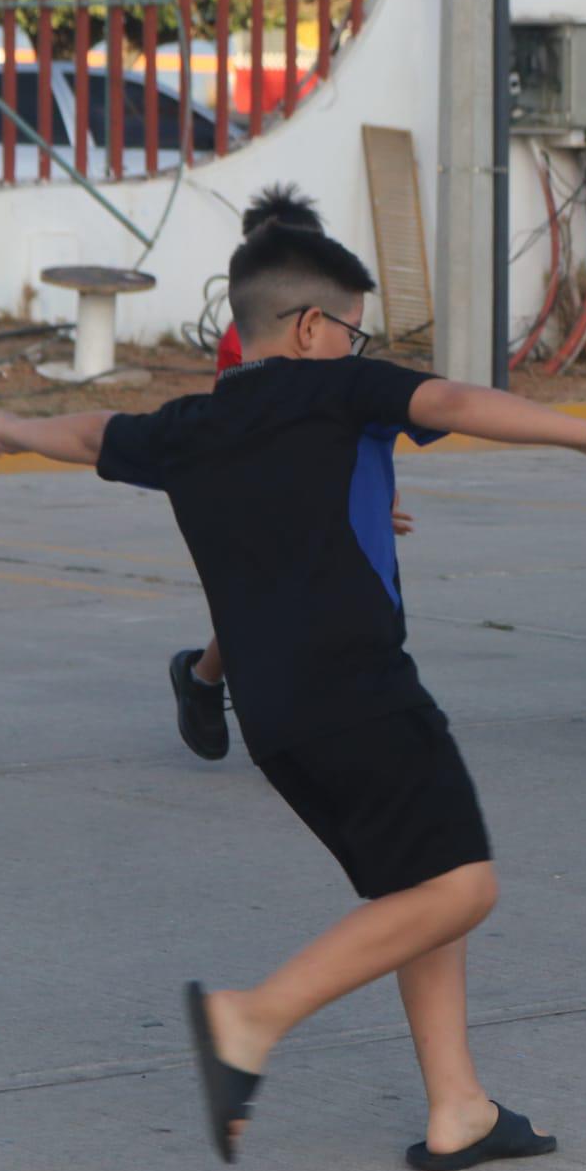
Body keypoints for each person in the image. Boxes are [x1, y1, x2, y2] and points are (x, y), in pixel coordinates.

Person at [0, 222, 586, 1167]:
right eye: (355, 331)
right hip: (362, 687)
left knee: (416, 881)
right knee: (463, 886)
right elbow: (455, 399)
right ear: (309, 328)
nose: (359, 348)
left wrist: (12, 431)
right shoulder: (344, 389)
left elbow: (94, 432)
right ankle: (250, 1020)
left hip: (272, 715)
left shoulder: (193, 424)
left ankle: (457, 1105)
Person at [170, 184, 420, 763]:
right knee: (270, 598)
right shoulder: (253, 334)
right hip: (255, 475)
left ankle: (210, 680)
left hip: (308, 476)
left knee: (293, 594)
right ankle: (209, 680)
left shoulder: (328, 322)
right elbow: (272, 418)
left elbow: (350, 409)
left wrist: (373, 486)